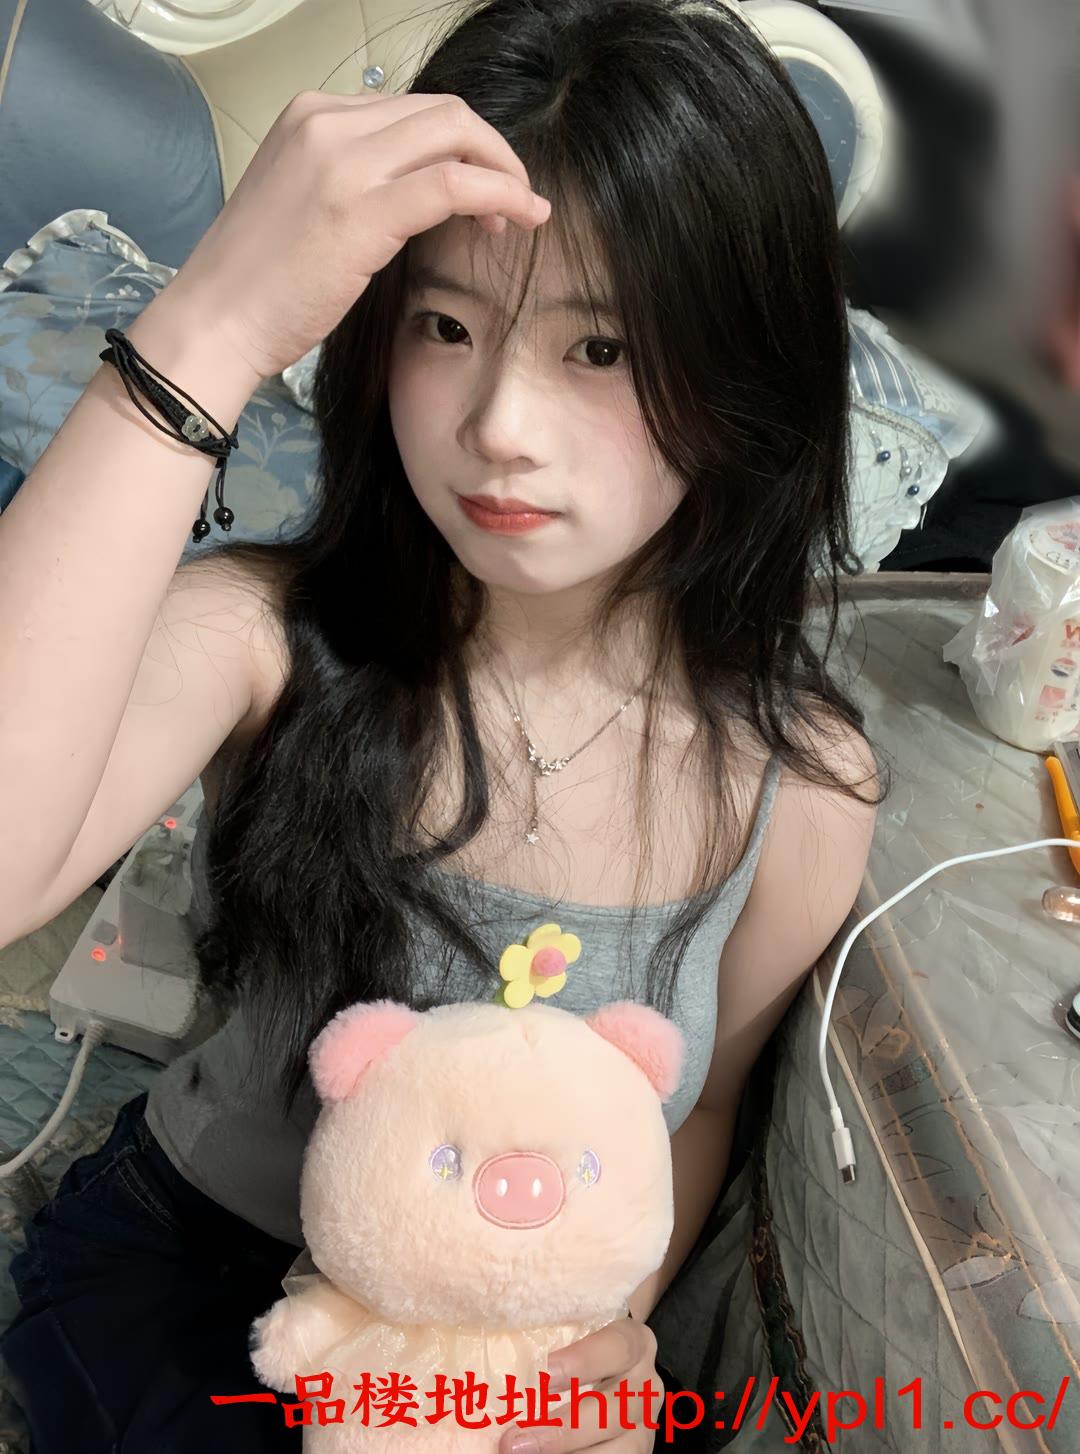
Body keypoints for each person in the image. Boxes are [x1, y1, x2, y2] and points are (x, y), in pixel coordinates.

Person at [0, 0, 882, 1447]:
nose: (499, 427)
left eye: (602, 348)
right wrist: (213, 323)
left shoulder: (799, 786)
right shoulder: (265, 639)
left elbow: (696, 1110)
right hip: (203, 1282)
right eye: (447, 326)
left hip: (505, 1353)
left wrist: (595, 1341)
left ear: (745, 381)